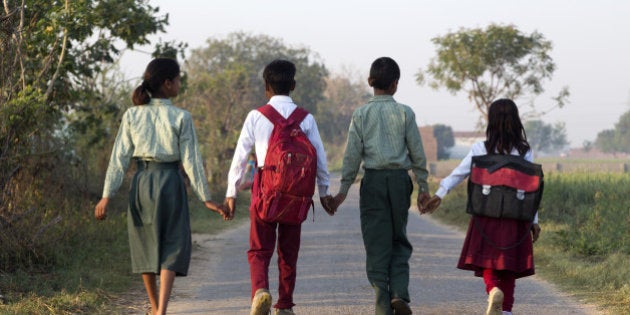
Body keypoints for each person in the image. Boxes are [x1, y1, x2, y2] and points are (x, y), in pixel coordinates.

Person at [93, 58, 229, 315]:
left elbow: (119, 158)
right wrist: (206, 198)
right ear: (167, 84)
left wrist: (106, 196)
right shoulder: (181, 117)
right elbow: (191, 161)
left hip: (142, 183)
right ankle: (162, 309)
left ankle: (155, 307)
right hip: (171, 183)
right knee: (173, 243)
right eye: (178, 80)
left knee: (144, 242)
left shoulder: (132, 115)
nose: (179, 84)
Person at [224, 59, 333, 315]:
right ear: (293, 85)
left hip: (265, 188)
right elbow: (320, 157)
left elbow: (240, 156)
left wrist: (231, 192)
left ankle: (260, 291)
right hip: (296, 192)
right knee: (288, 251)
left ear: (266, 87)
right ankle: (284, 305)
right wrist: (325, 192)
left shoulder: (256, 116)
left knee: (259, 248)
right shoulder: (306, 119)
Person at [331, 57, 430, 315]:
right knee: (399, 239)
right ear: (395, 84)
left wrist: (342, 191)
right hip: (399, 181)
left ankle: (382, 305)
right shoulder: (405, 112)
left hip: (373, 181)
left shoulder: (361, 114)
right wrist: (424, 187)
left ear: (369, 82)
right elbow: (417, 152)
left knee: (377, 243)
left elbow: (352, 155)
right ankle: (399, 292)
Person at [424, 99, 542, 315]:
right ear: (516, 121)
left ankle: (493, 289)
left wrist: (440, 193)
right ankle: (505, 311)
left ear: (492, 122)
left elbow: (460, 172)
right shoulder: (525, 150)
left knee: (487, 259)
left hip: (486, 213)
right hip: (516, 217)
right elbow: (531, 190)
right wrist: (534, 221)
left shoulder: (481, 148)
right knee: (509, 265)